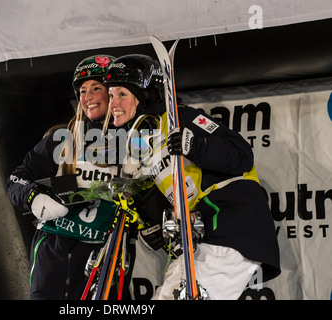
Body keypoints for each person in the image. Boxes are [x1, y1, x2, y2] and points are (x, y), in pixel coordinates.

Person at [103, 54, 281, 300]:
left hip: (230, 229)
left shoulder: (181, 117)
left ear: (146, 94)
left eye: (122, 94)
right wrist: (150, 222)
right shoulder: (141, 144)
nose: (113, 103)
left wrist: (195, 145)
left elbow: (241, 155)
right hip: (200, 241)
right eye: (111, 95)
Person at [5, 55, 135, 300]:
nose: (87, 97)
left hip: (105, 248)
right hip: (56, 246)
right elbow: (17, 178)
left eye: (96, 88)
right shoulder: (62, 138)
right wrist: (34, 196)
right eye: (83, 90)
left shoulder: (133, 139)